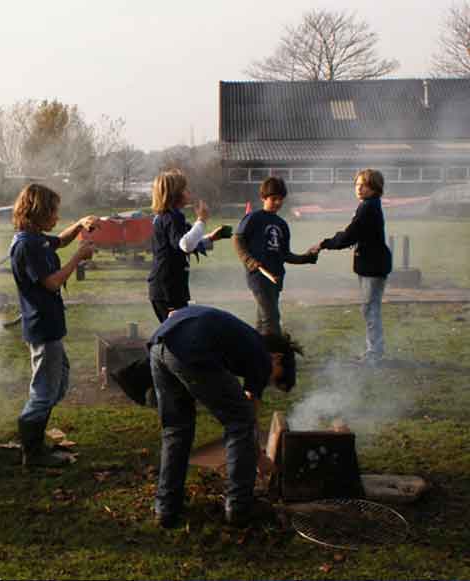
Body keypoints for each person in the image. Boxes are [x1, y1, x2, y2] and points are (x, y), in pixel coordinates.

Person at [148, 305, 301, 528]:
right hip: (190, 348)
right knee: (240, 421)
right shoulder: (261, 355)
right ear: (277, 358)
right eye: (274, 379)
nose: (268, 382)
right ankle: (239, 506)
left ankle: (166, 509)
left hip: (159, 345)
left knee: (176, 430)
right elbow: (248, 416)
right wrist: (260, 459)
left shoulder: (246, 339)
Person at [9, 183, 96, 467]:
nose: (57, 218)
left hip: (50, 325)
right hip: (42, 326)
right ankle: (32, 452)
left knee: (56, 385)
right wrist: (78, 258)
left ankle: (33, 441)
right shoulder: (26, 245)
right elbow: (51, 283)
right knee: (44, 391)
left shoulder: (37, 239)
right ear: (38, 212)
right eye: (53, 212)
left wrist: (80, 224)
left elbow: (59, 240)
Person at [312, 169, 392, 364]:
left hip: (373, 266)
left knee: (370, 309)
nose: (359, 188)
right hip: (371, 264)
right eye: (357, 184)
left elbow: (349, 235)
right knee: (369, 308)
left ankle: (374, 354)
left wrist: (324, 243)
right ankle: (373, 350)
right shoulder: (368, 205)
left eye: (363, 185)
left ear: (374, 187)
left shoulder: (368, 207)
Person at [234, 177, 318, 335]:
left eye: (281, 199)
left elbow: (285, 255)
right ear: (263, 198)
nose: (278, 203)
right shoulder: (253, 218)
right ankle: (276, 356)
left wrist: (306, 258)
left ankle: (258, 354)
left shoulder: (282, 224)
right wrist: (249, 261)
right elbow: (238, 240)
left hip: (276, 277)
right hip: (258, 277)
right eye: (274, 199)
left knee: (263, 320)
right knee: (271, 320)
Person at [147, 170, 229, 322]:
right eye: (185, 189)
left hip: (165, 288)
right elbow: (186, 245)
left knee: (176, 334)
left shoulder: (166, 217)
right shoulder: (173, 217)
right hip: (169, 289)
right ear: (175, 194)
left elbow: (181, 244)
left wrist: (211, 238)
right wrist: (202, 220)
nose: (189, 192)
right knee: (177, 335)